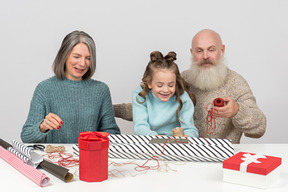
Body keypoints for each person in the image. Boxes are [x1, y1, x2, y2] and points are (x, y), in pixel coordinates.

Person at [21, 30, 120, 143]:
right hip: (54, 159)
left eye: (88, 58)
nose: (83, 63)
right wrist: (42, 127)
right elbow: (26, 136)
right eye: (77, 56)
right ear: (64, 56)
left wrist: (96, 142)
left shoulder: (101, 90)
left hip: (90, 157)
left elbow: (112, 133)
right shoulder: (44, 89)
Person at [181, 29, 266, 143]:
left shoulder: (235, 82)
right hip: (185, 156)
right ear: (192, 53)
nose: (205, 56)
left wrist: (237, 110)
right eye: (199, 51)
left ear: (222, 50)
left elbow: (259, 128)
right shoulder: (181, 80)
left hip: (223, 157)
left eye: (211, 50)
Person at [132, 51, 198, 137]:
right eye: (160, 85)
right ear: (149, 83)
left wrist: (188, 136)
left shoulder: (182, 97)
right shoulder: (140, 95)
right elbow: (140, 126)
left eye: (171, 85)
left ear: (176, 83)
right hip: (150, 140)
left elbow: (190, 129)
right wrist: (154, 136)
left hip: (175, 142)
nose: (166, 90)